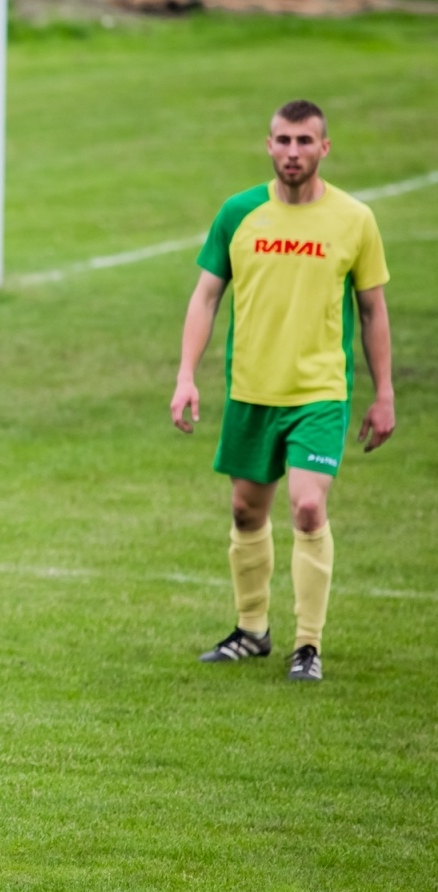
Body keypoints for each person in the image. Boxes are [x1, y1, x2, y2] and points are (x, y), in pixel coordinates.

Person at [170, 99, 395, 683]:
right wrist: (185, 375)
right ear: (268, 145)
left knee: (308, 504)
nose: (292, 152)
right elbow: (205, 296)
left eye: (304, 141)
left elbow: (372, 310)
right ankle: (252, 631)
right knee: (246, 511)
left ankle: (309, 645)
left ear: (324, 148)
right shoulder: (239, 213)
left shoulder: (354, 219)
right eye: (282, 141)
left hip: (319, 393)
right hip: (251, 390)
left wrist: (384, 393)